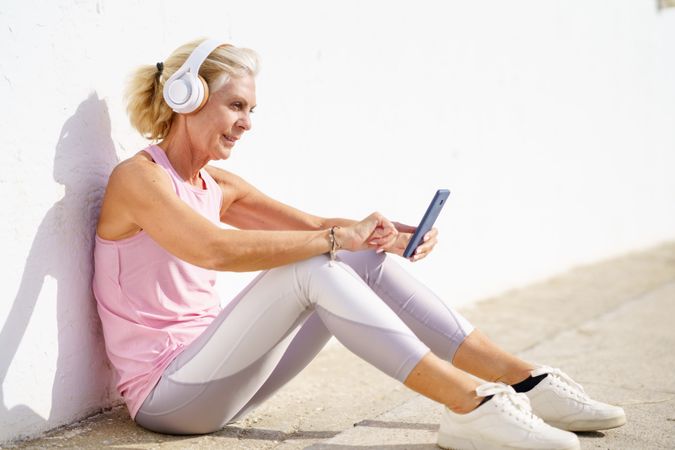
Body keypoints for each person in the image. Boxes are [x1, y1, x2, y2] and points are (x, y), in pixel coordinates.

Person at [93, 38, 626, 450]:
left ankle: (528, 382)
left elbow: (313, 223)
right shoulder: (139, 179)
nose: (247, 124)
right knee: (313, 265)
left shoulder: (217, 184)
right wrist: (332, 238)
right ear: (189, 97)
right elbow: (214, 250)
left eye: (252, 110)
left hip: (219, 381)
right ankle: (470, 407)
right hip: (168, 397)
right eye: (237, 106)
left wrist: (384, 237)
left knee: (350, 254)